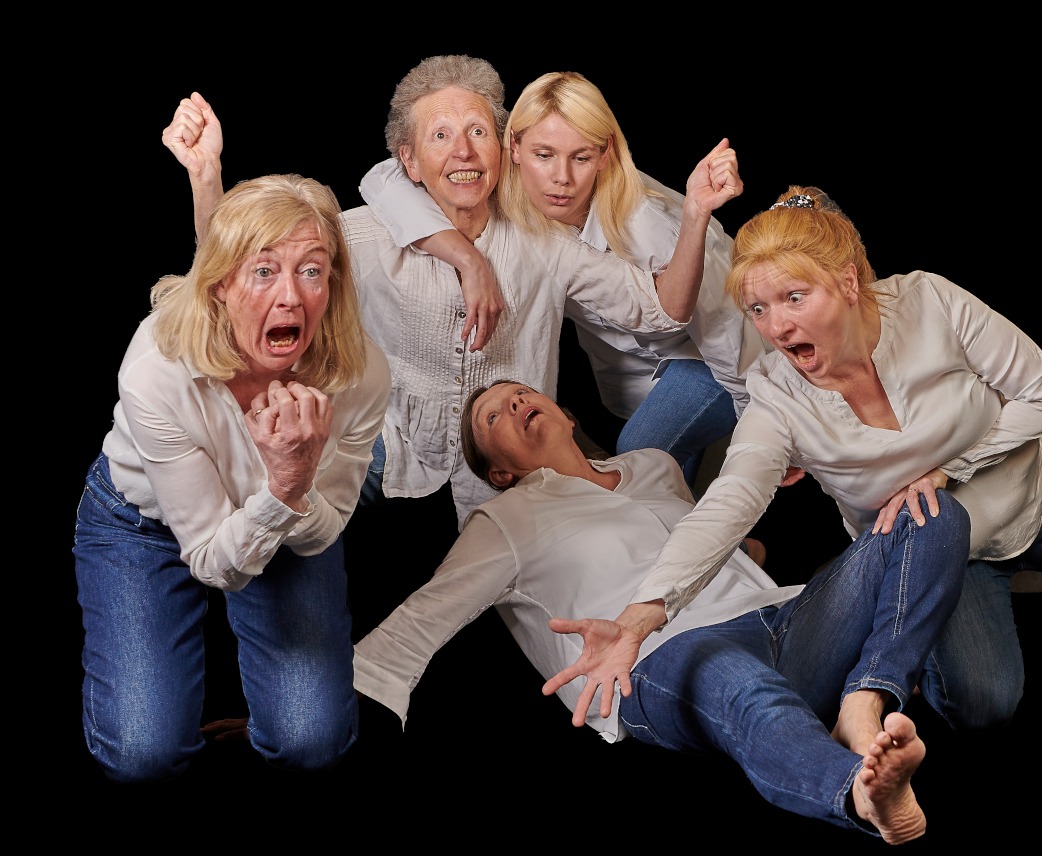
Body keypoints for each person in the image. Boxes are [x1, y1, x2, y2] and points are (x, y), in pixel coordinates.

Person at [599, 185, 1042, 732]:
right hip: (947, 559)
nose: (776, 326)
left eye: (794, 297)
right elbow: (730, 501)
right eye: (758, 309)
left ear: (847, 283)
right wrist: (643, 613)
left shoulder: (929, 301)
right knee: (982, 704)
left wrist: (948, 470)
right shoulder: (774, 395)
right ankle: (919, 634)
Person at [352, 379, 971, 844]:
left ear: (568, 415)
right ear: (499, 471)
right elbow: (419, 620)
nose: (515, 404)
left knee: (930, 513)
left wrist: (748, 552)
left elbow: (697, 541)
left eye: (522, 394)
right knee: (741, 686)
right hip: (653, 658)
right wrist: (331, 711)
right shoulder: (503, 521)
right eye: (493, 416)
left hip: (779, 617)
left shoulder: (654, 466)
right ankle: (858, 793)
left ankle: (866, 696)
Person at [162, 56, 742, 534]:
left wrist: (695, 213)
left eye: (477, 132)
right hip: (389, 446)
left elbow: (661, 310)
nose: (463, 151)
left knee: (578, 556)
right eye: (440, 136)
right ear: (409, 163)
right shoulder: (365, 236)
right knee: (272, 504)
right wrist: (205, 178)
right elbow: (239, 272)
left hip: (513, 463)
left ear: (503, 150)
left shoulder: (547, 244)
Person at [74, 174, 391, 783]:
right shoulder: (157, 370)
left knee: (311, 741)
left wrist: (290, 486)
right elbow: (212, 561)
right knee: (142, 754)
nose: (291, 297)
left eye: (312, 271)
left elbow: (324, 530)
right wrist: (285, 485)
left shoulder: (361, 374)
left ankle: (268, 714)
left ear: (333, 284)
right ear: (220, 284)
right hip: (144, 523)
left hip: (289, 524)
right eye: (264, 271)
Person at [359, 70, 766, 489]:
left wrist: (765, 430)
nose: (562, 178)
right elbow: (384, 179)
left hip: (718, 366)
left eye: (581, 157)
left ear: (604, 154)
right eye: (544, 154)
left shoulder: (646, 223)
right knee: (671, 492)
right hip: (637, 384)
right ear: (514, 148)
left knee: (642, 457)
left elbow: (728, 329)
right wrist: (469, 260)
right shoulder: (505, 185)